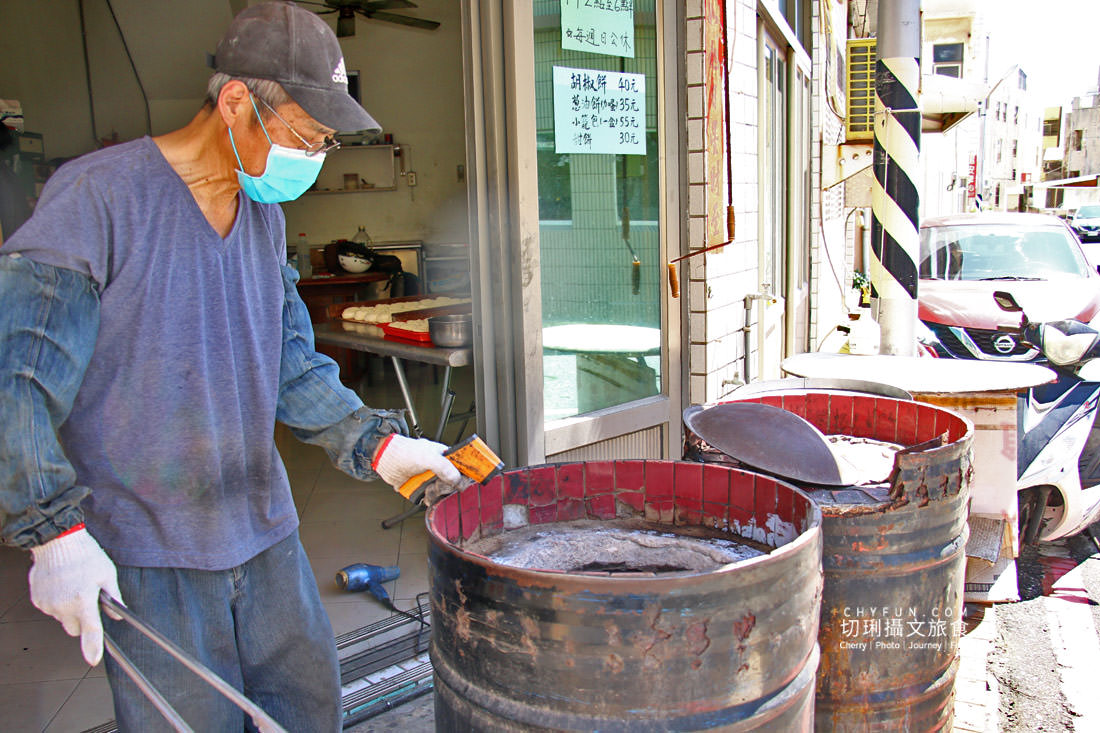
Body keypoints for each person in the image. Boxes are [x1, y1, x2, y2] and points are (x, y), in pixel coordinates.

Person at [0, 2, 460, 730]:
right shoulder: (98, 199)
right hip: (152, 549)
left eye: (326, 141)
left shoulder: (262, 215)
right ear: (237, 102)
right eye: (307, 135)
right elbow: (17, 381)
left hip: (263, 528)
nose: (315, 155)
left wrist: (379, 444)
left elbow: (288, 361)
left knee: (306, 709)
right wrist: (52, 532)